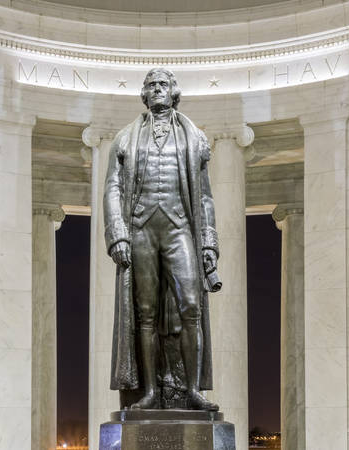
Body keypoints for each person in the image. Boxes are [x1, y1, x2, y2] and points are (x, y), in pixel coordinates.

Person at [103, 68, 220, 411]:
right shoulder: (125, 137)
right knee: (146, 313)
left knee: (191, 307)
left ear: (173, 92)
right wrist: (117, 234)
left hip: (179, 228)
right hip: (140, 228)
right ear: (144, 93)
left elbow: (205, 197)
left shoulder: (194, 136)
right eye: (151, 85)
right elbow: (113, 186)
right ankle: (150, 392)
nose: (157, 89)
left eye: (162, 85)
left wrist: (209, 242)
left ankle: (193, 390)